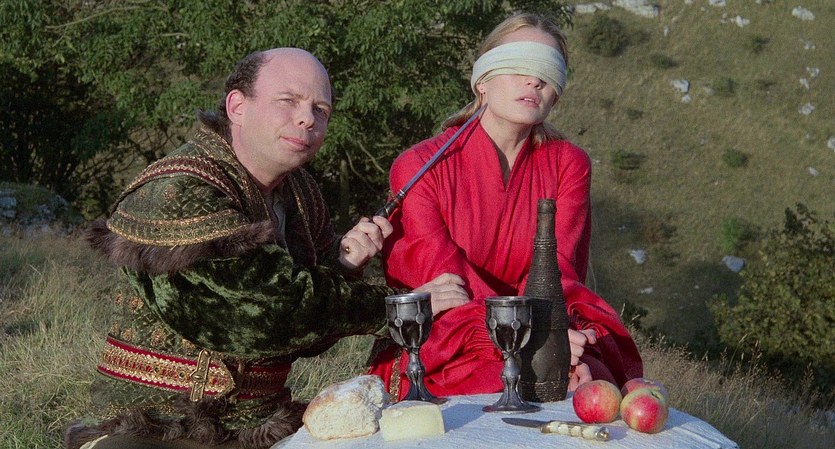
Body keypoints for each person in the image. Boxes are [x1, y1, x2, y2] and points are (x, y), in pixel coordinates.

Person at [65, 48, 467, 449]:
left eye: (321, 109)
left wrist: (342, 265)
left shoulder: (301, 194)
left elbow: (306, 338)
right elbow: (266, 314)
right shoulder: (179, 190)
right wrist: (401, 305)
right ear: (237, 106)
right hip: (151, 429)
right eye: (288, 101)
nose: (307, 118)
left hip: (261, 428)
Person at [368, 13, 643, 400]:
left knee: (590, 379)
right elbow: (447, 284)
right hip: (449, 338)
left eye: (548, 71)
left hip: (546, 319)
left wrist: (553, 338)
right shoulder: (417, 166)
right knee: (507, 382)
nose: (535, 80)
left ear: (557, 93)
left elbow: (559, 270)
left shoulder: (569, 165)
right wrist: (531, 339)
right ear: (482, 80)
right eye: (519, 65)